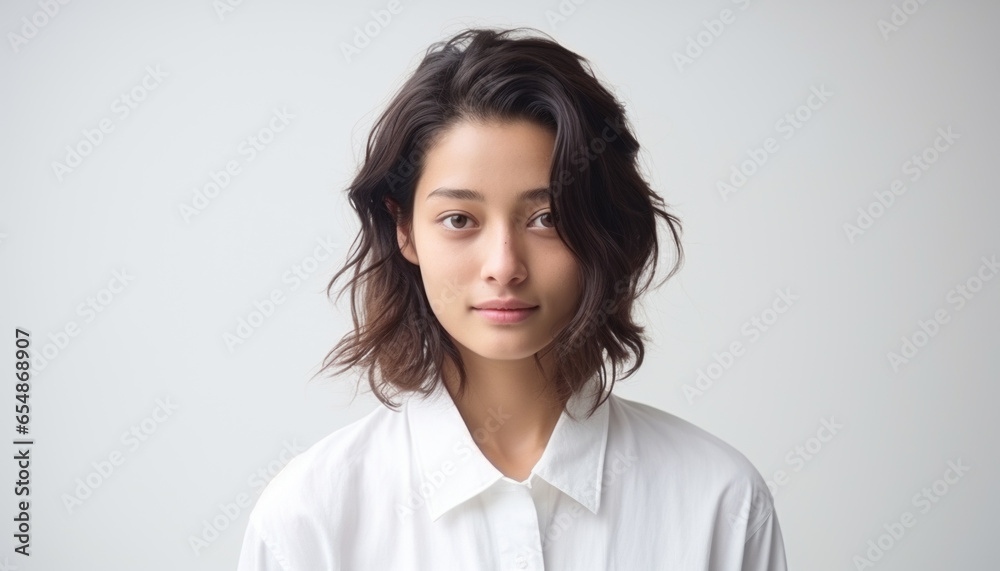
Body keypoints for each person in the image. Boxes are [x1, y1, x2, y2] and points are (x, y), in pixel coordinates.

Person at [237, 27, 787, 570]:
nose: (504, 265)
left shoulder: (720, 502)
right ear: (404, 229)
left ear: (604, 227)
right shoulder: (308, 520)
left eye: (545, 218)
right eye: (458, 220)